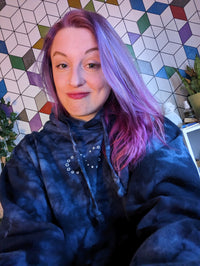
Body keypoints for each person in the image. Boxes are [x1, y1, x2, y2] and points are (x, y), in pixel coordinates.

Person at [0, 9, 200, 266]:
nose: (75, 80)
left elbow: (178, 224)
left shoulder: (153, 132)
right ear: (51, 73)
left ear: (112, 68)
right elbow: (25, 246)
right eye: (62, 65)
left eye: (92, 64)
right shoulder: (29, 158)